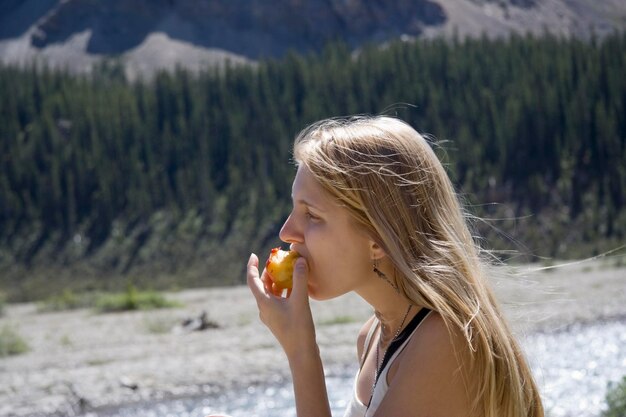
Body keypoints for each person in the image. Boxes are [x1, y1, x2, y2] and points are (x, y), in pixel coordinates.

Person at [246, 115, 544, 417]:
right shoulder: (374, 337)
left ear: (378, 238)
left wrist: (301, 352)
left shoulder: (446, 343)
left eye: (311, 215)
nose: (286, 231)